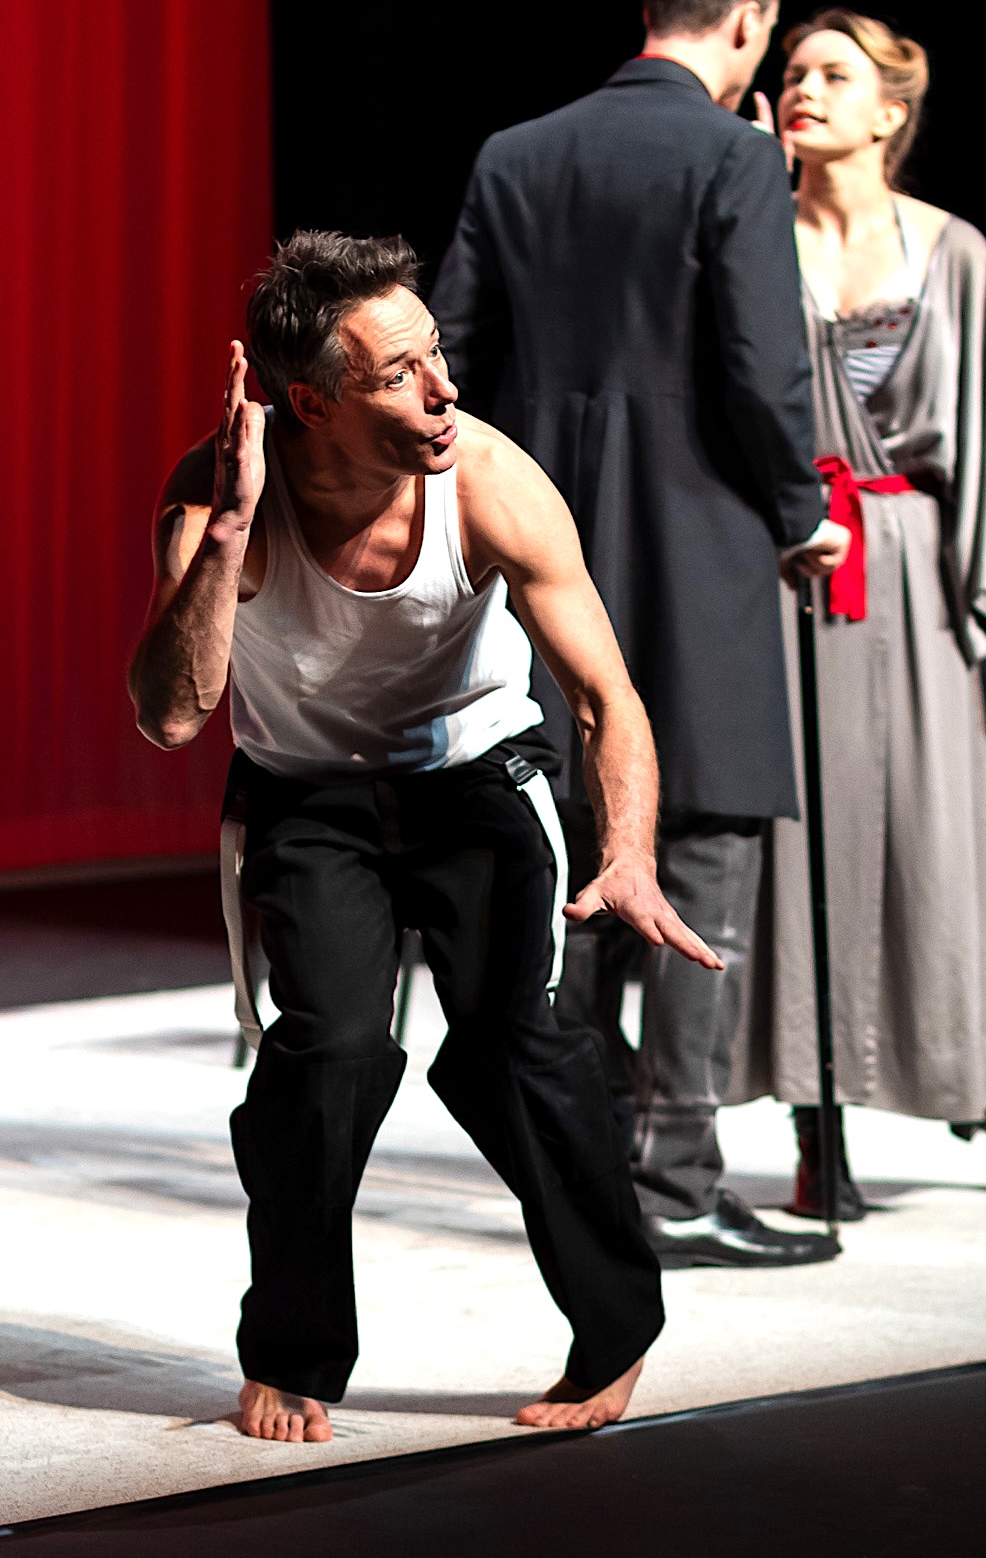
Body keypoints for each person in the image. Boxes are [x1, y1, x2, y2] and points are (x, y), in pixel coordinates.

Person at [127, 230, 723, 1442]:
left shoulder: (489, 481)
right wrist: (230, 535)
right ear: (313, 404)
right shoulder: (220, 492)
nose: (444, 389)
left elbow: (606, 696)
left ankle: (615, 1327)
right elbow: (173, 716)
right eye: (401, 374)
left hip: (477, 781)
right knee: (329, 1054)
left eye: (437, 354)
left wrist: (628, 853)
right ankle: (291, 1353)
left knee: (516, 1051)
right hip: (308, 795)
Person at [430, 0, 849, 1268]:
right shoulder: (735, 156)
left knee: (565, 849)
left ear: (651, 2)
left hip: (541, 545)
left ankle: (580, 1167)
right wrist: (802, 514)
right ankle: (675, 1182)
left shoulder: (516, 154)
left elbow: (449, 362)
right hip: (701, 546)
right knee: (704, 846)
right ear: (749, 20)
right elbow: (761, 369)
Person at [742, 9, 986, 1213]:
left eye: (834, 74)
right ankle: (817, 1116)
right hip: (797, 562)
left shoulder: (954, 251)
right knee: (807, 843)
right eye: (794, 71)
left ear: (890, 111)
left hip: (921, 563)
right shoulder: (753, 240)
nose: (804, 87)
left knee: (943, 838)